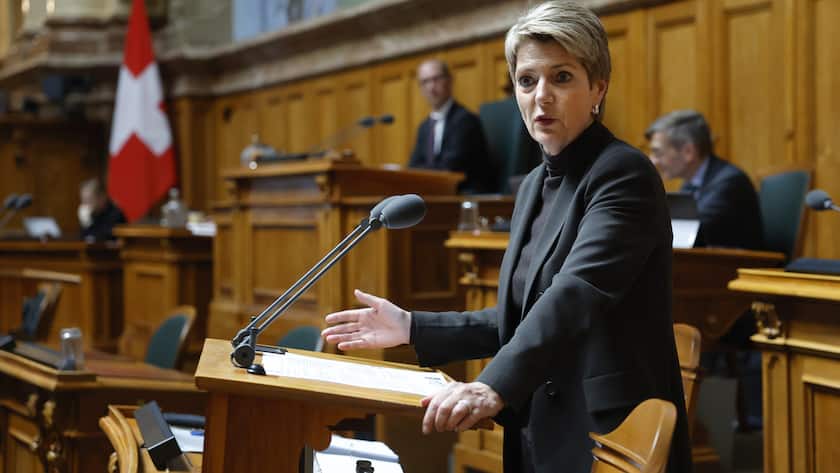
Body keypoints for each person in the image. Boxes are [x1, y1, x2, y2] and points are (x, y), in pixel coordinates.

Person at [323, 2, 692, 472]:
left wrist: (491, 385)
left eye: (562, 78)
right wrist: (412, 327)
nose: (541, 96)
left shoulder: (622, 174)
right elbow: (519, 318)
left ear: (598, 87)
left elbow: (576, 295)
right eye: (527, 80)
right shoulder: (535, 184)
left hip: (608, 434)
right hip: (542, 419)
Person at [646, 110, 763, 250]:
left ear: (688, 152)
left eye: (658, 153)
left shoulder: (730, 182)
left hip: (738, 266)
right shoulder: (690, 184)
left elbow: (693, 232)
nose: (653, 160)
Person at [408, 59, 495, 193]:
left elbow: (451, 168)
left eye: (436, 79)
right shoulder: (424, 127)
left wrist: (419, 174)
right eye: (425, 82)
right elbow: (413, 166)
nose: (431, 87)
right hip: (436, 192)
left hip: (464, 194)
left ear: (449, 81)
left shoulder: (465, 120)